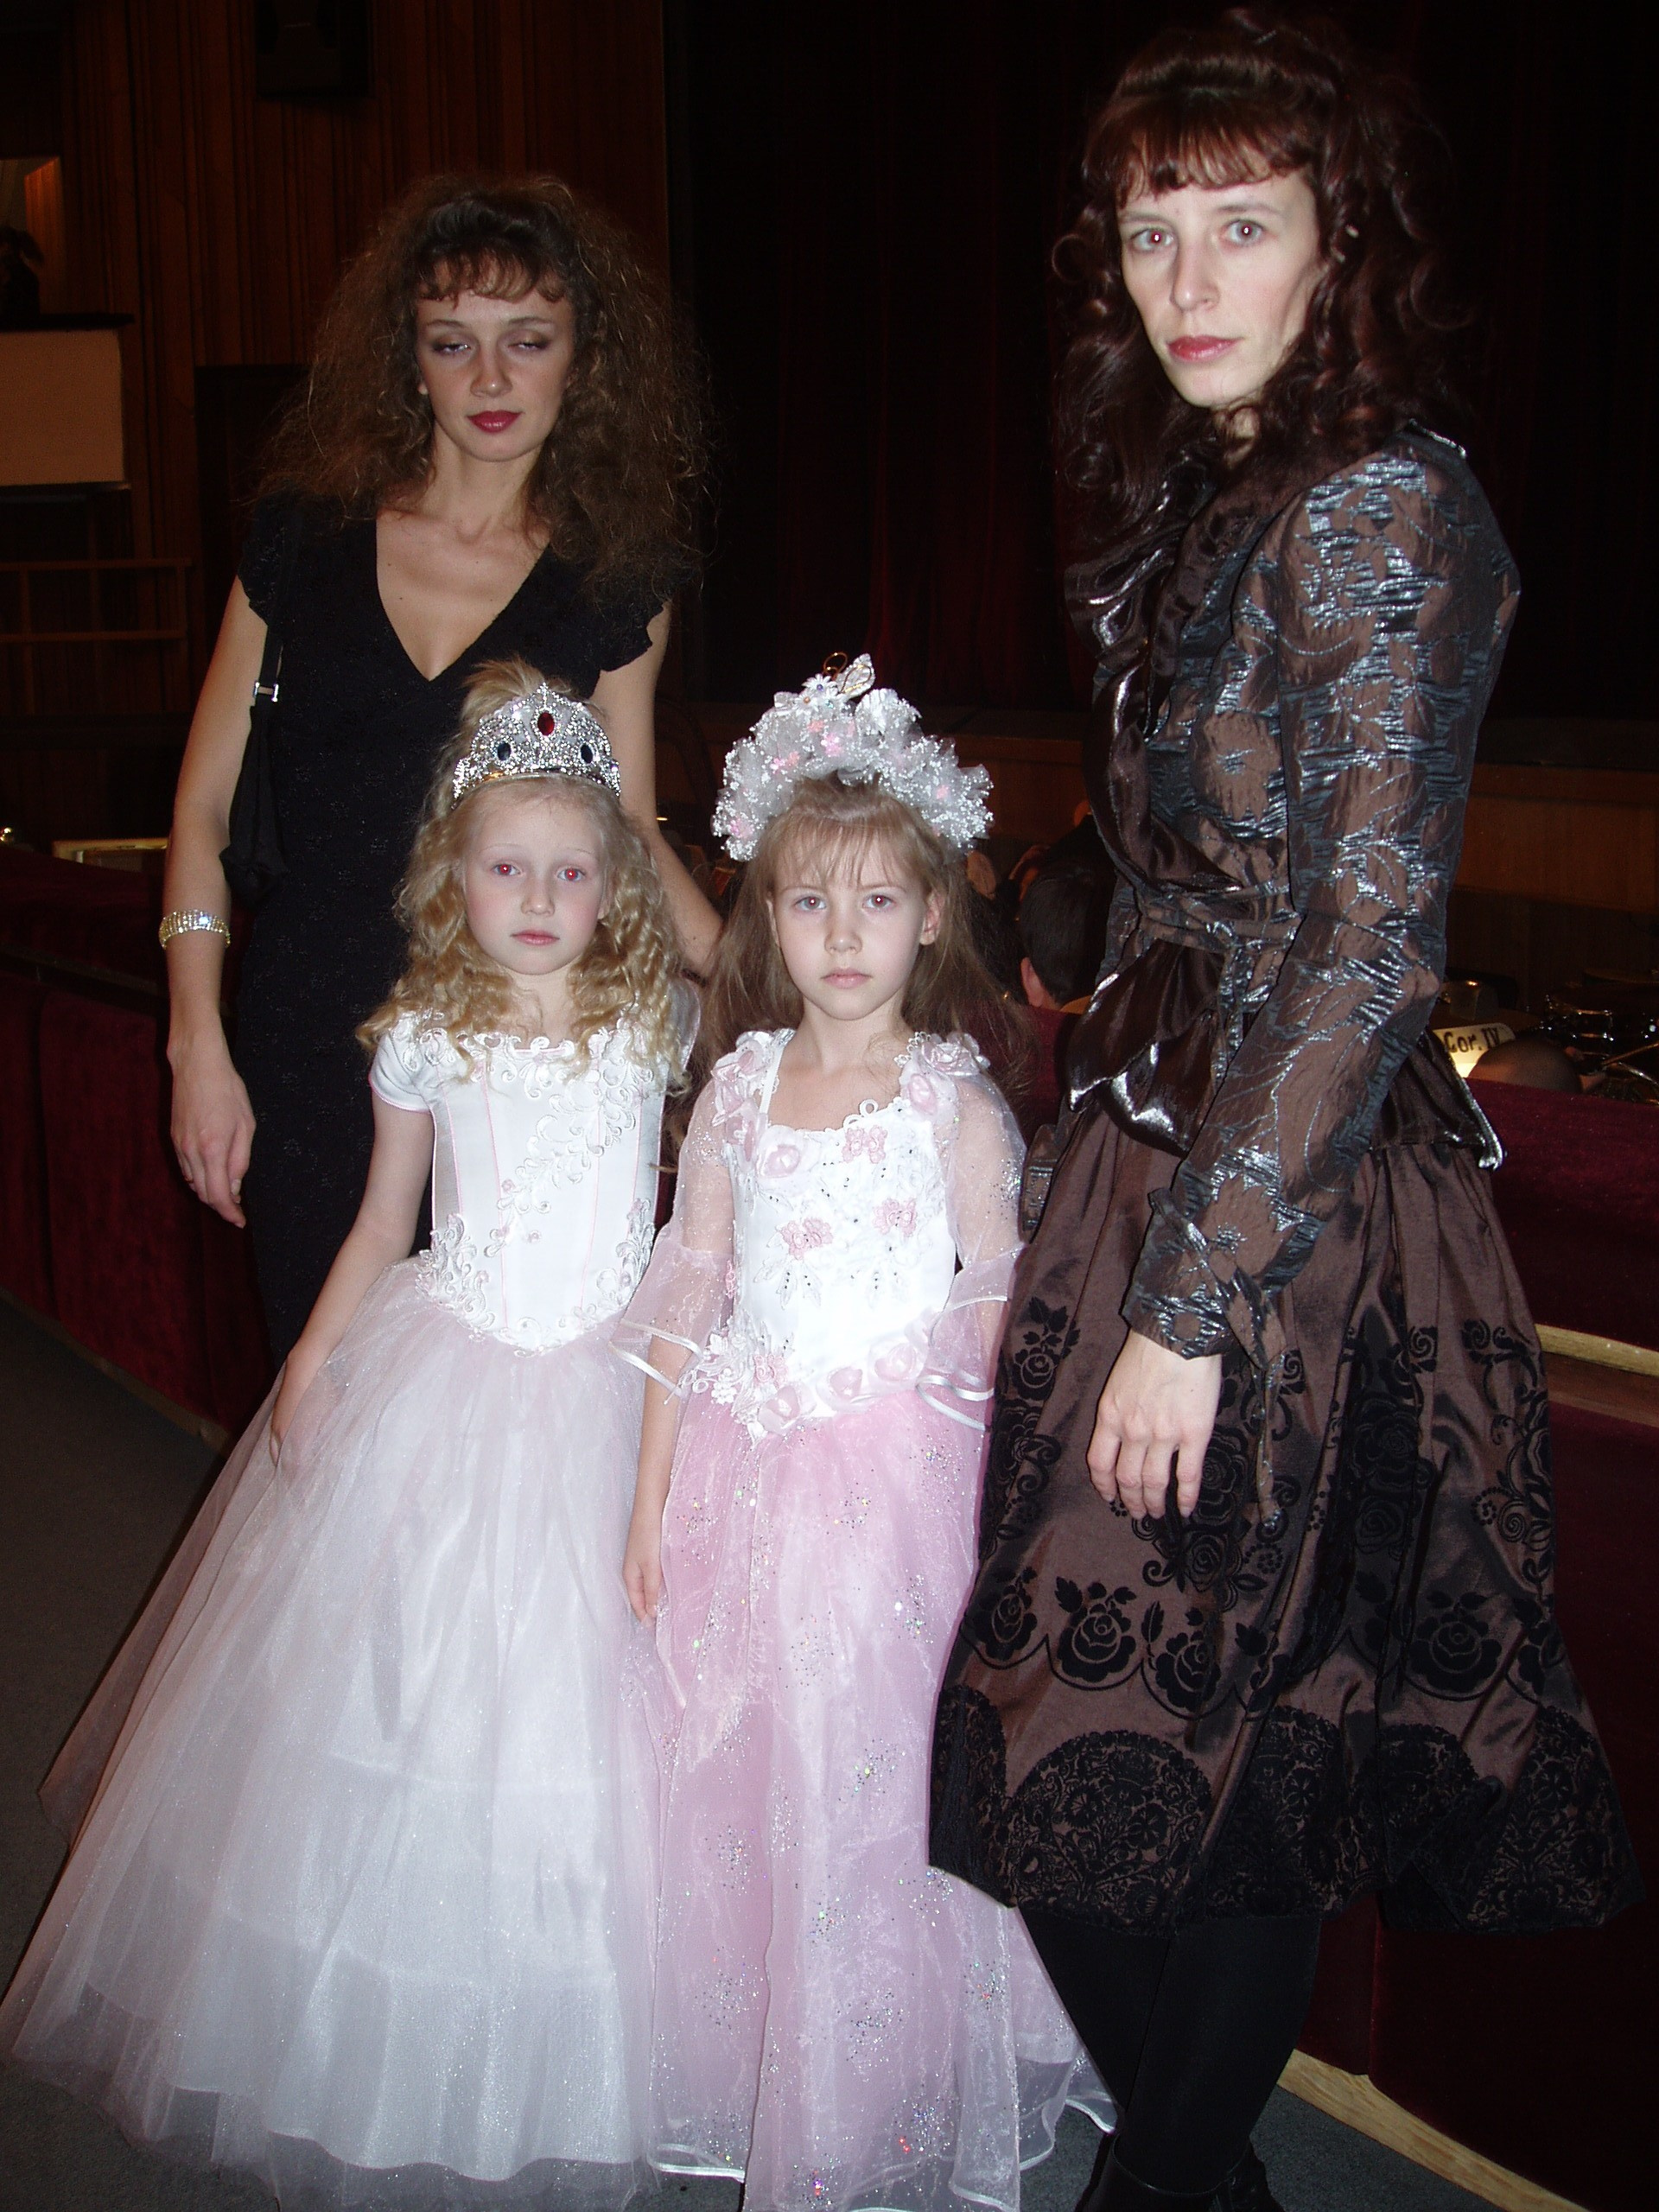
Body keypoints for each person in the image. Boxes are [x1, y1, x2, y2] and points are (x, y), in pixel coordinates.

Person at [930, 16, 1639, 2212]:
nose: (1190, 279)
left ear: (1347, 239)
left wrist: (1195, 1297)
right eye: (1152, 233)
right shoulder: (1208, 495)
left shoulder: (1383, 509)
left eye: (1242, 224)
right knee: (1071, 1737)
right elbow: (1177, 849)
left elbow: (1361, 942)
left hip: (1285, 1214)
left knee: (1213, 1750)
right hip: (1143, 1152)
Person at [0, 663, 691, 2208]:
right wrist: (313, 1357)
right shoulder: (428, 1031)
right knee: (405, 1703)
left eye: (571, 871)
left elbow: (684, 1224)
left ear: (614, 885)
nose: (538, 898)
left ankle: (584, 2031)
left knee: (600, 1732)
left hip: (607, 1392)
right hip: (450, 1380)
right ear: (454, 873)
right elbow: (386, 1221)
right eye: (506, 867)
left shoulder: (652, 1022)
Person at [617, 658, 1108, 2212]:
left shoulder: (955, 1104)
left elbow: (995, 1316)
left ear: (933, 916)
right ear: (765, 916)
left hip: (902, 1499)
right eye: (811, 902)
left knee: (885, 1790)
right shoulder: (736, 1092)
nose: (843, 935)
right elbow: (691, 1291)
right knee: (746, 1783)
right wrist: (647, 1500)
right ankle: (772, 2053)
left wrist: (1009, 1525)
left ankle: (892, 2069)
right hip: (741, 1483)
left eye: (878, 902)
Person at [162, 174, 715, 1357]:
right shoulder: (302, 542)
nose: (492, 378)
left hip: (512, 1065)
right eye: (453, 342)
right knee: (319, 1395)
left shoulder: (615, 584)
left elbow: (630, 830)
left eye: (529, 340)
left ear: (583, 360)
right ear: (410, 362)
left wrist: (774, 983)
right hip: (308, 1037)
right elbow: (204, 807)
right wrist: (194, 1038)